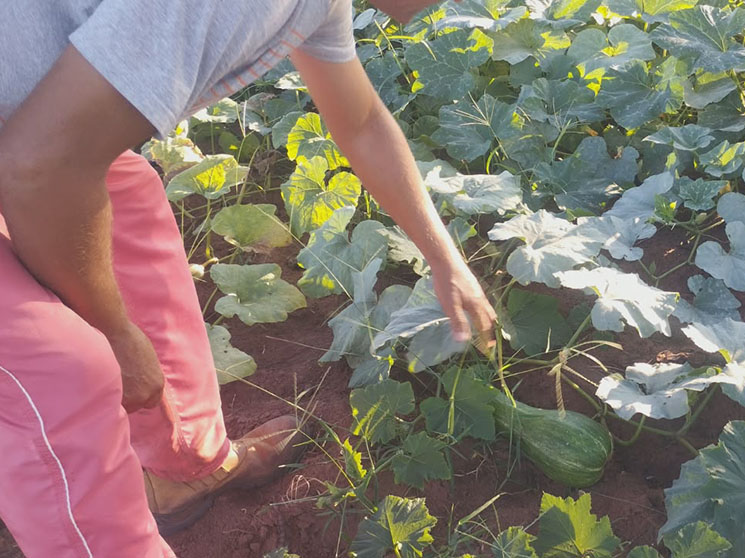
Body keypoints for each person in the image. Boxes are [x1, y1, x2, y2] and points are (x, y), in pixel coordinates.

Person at [0, 1, 496, 556]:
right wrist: (114, 335)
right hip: (28, 152)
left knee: (128, 205)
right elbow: (35, 168)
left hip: (26, 131)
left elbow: (361, 123)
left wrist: (445, 258)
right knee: (60, 370)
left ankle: (185, 469)